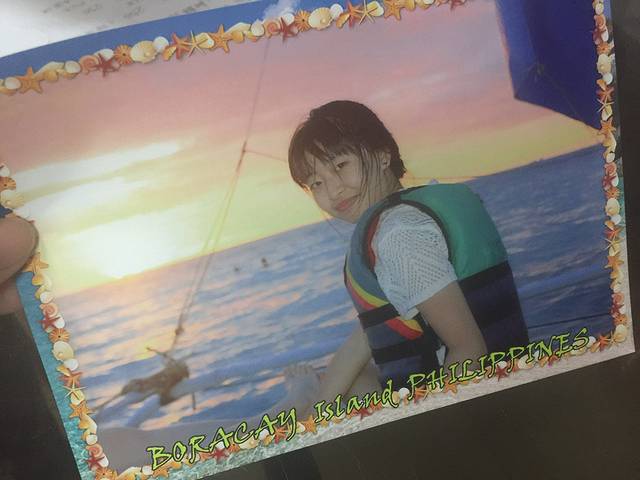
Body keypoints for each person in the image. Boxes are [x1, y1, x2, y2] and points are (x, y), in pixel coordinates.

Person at [288, 100, 529, 401]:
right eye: (316, 183)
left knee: (344, 393)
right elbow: (367, 336)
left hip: (464, 398)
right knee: (350, 381)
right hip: (507, 377)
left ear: (382, 155)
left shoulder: (398, 233)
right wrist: (315, 415)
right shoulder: (409, 216)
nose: (333, 189)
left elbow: (469, 350)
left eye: (341, 166)